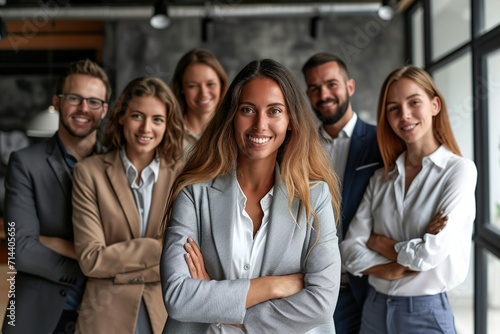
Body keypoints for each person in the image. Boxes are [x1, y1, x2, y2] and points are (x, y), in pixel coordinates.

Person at [160, 59, 341, 334]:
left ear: (290, 121)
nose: (260, 124)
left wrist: (217, 304)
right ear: (232, 115)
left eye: (274, 111)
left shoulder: (314, 197)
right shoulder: (193, 193)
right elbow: (178, 297)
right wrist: (274, 286)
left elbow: (321, 303)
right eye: (247, 110)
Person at [340, 65, 477, 334]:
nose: (404, 115)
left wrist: (381, 243)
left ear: (435, 105)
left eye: (414, 102)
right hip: (374, 309)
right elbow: (349, 250)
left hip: (425, 314)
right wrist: (388, 269)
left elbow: (430, 254)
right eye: (393, 108)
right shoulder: (382, 177)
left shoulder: (459, 171)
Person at [2, 59, 111, 334]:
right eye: (74, 98)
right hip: (35, 316)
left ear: (105, 109)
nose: (84, 108)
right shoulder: (24, 163)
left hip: (103, 315)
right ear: (57, 102)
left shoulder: (117, 163)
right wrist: (94, 265)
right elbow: (19, 250)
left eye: (94, 101)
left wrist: (56, 245)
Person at [71, 77, 184, 333]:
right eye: (137, 116)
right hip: (104, 315)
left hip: (166, 313)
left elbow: (187, 260)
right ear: (121, 117)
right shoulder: (89, 173)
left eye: (157, 119)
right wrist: (159, 248)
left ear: (167, 125)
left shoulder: (182, 177)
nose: (146, 128)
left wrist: (120, 267)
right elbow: (91, 259)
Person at [302, 52, 382, 334]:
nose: (323, 94)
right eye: (314, 88)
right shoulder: (301, 148)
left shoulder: (380, 141)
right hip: (315, 285)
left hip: (368, 283)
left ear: (350, 86)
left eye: (331, 84)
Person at [170, 48, 228, 156]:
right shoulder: (168, 134)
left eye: (210, 84)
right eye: (193, 86)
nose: (204, 93)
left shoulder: (232, 131)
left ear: (221, 84)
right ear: (181, 88)